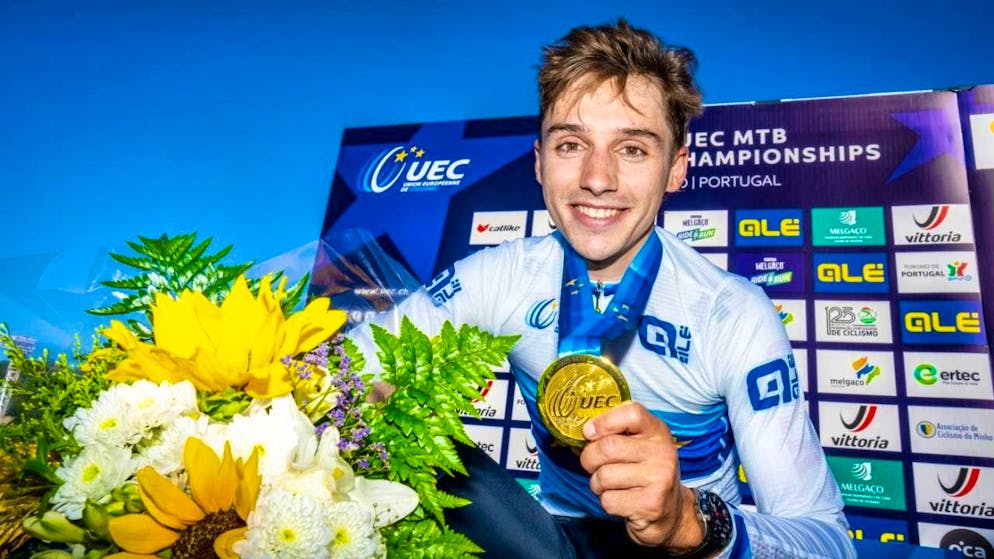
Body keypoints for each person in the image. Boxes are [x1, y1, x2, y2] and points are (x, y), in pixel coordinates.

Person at [353, 19, 855, 559]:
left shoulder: (731, 313)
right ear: (541, 162)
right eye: (572, 144)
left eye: (633, 149)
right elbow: (345, 374)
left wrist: (689, 519)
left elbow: (828, 542)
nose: (598, 178)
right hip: (551, 540)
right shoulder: (497, 275)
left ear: (676, 169)